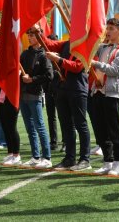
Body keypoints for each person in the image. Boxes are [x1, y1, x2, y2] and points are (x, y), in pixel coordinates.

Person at [37, 25, 92, 171]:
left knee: (80, 124)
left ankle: (85, 159)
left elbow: (78, 66)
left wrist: (59, 60)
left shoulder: (85, 45)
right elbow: (48, 44)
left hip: (77, 88)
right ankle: (69, 158)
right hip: (62, 88)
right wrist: (39, 32)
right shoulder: (66, 43)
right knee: (66, 125)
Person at [90, 18, 119, 176]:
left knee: (113, 129)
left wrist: (96, 64)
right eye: (107, 28)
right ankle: (107, 161)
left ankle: (118, 163)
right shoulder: (102, 48)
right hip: (97, 91)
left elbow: (114, 70)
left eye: (112, 28)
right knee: (100, 129)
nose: (108, 31)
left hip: (112, 93)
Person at [19, 28, 54, 169]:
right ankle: (35, 156)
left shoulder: (44, 55)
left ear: (39, 37)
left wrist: (32, 79)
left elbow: (49, 75)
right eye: (28, 35)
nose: (29, 37)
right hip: (23, 95)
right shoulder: (25, 53)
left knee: (39, 126)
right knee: (29, 127)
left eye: (32, 35)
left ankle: (47, 157)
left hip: (35, 95)